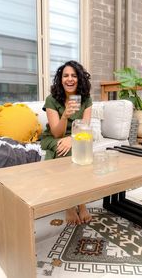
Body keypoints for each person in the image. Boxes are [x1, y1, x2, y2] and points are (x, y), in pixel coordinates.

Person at [41, 60, 92, 225]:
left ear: (79, 79)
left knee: (83, 153)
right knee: (69, 153)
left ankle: (82, 203)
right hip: (55, 136)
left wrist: (72, 138)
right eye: (65, 76)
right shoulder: (52, 99)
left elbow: (86, 126)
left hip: (78, 135)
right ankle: (70, 205)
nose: (69, 79)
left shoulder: (85, 99)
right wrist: (65, 116)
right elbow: (57, 132)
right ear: (60, 79)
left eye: (74, 75)